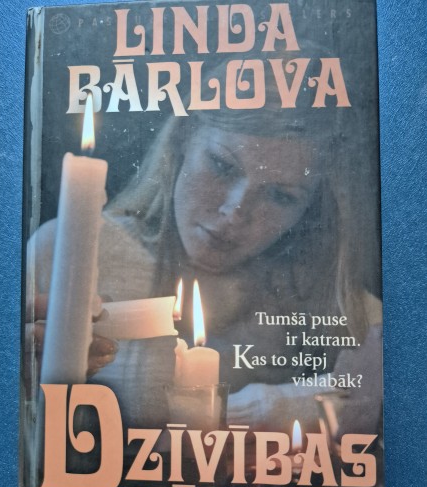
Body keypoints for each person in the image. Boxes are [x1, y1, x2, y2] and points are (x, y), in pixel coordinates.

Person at [25, 52, 383, 445]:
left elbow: (390, 372)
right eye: (222, 166)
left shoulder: (322, 290)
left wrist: (288, 405)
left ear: (310, 208)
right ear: (182, 138)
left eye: (280, 196)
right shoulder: (69, 251)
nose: (236, 212)